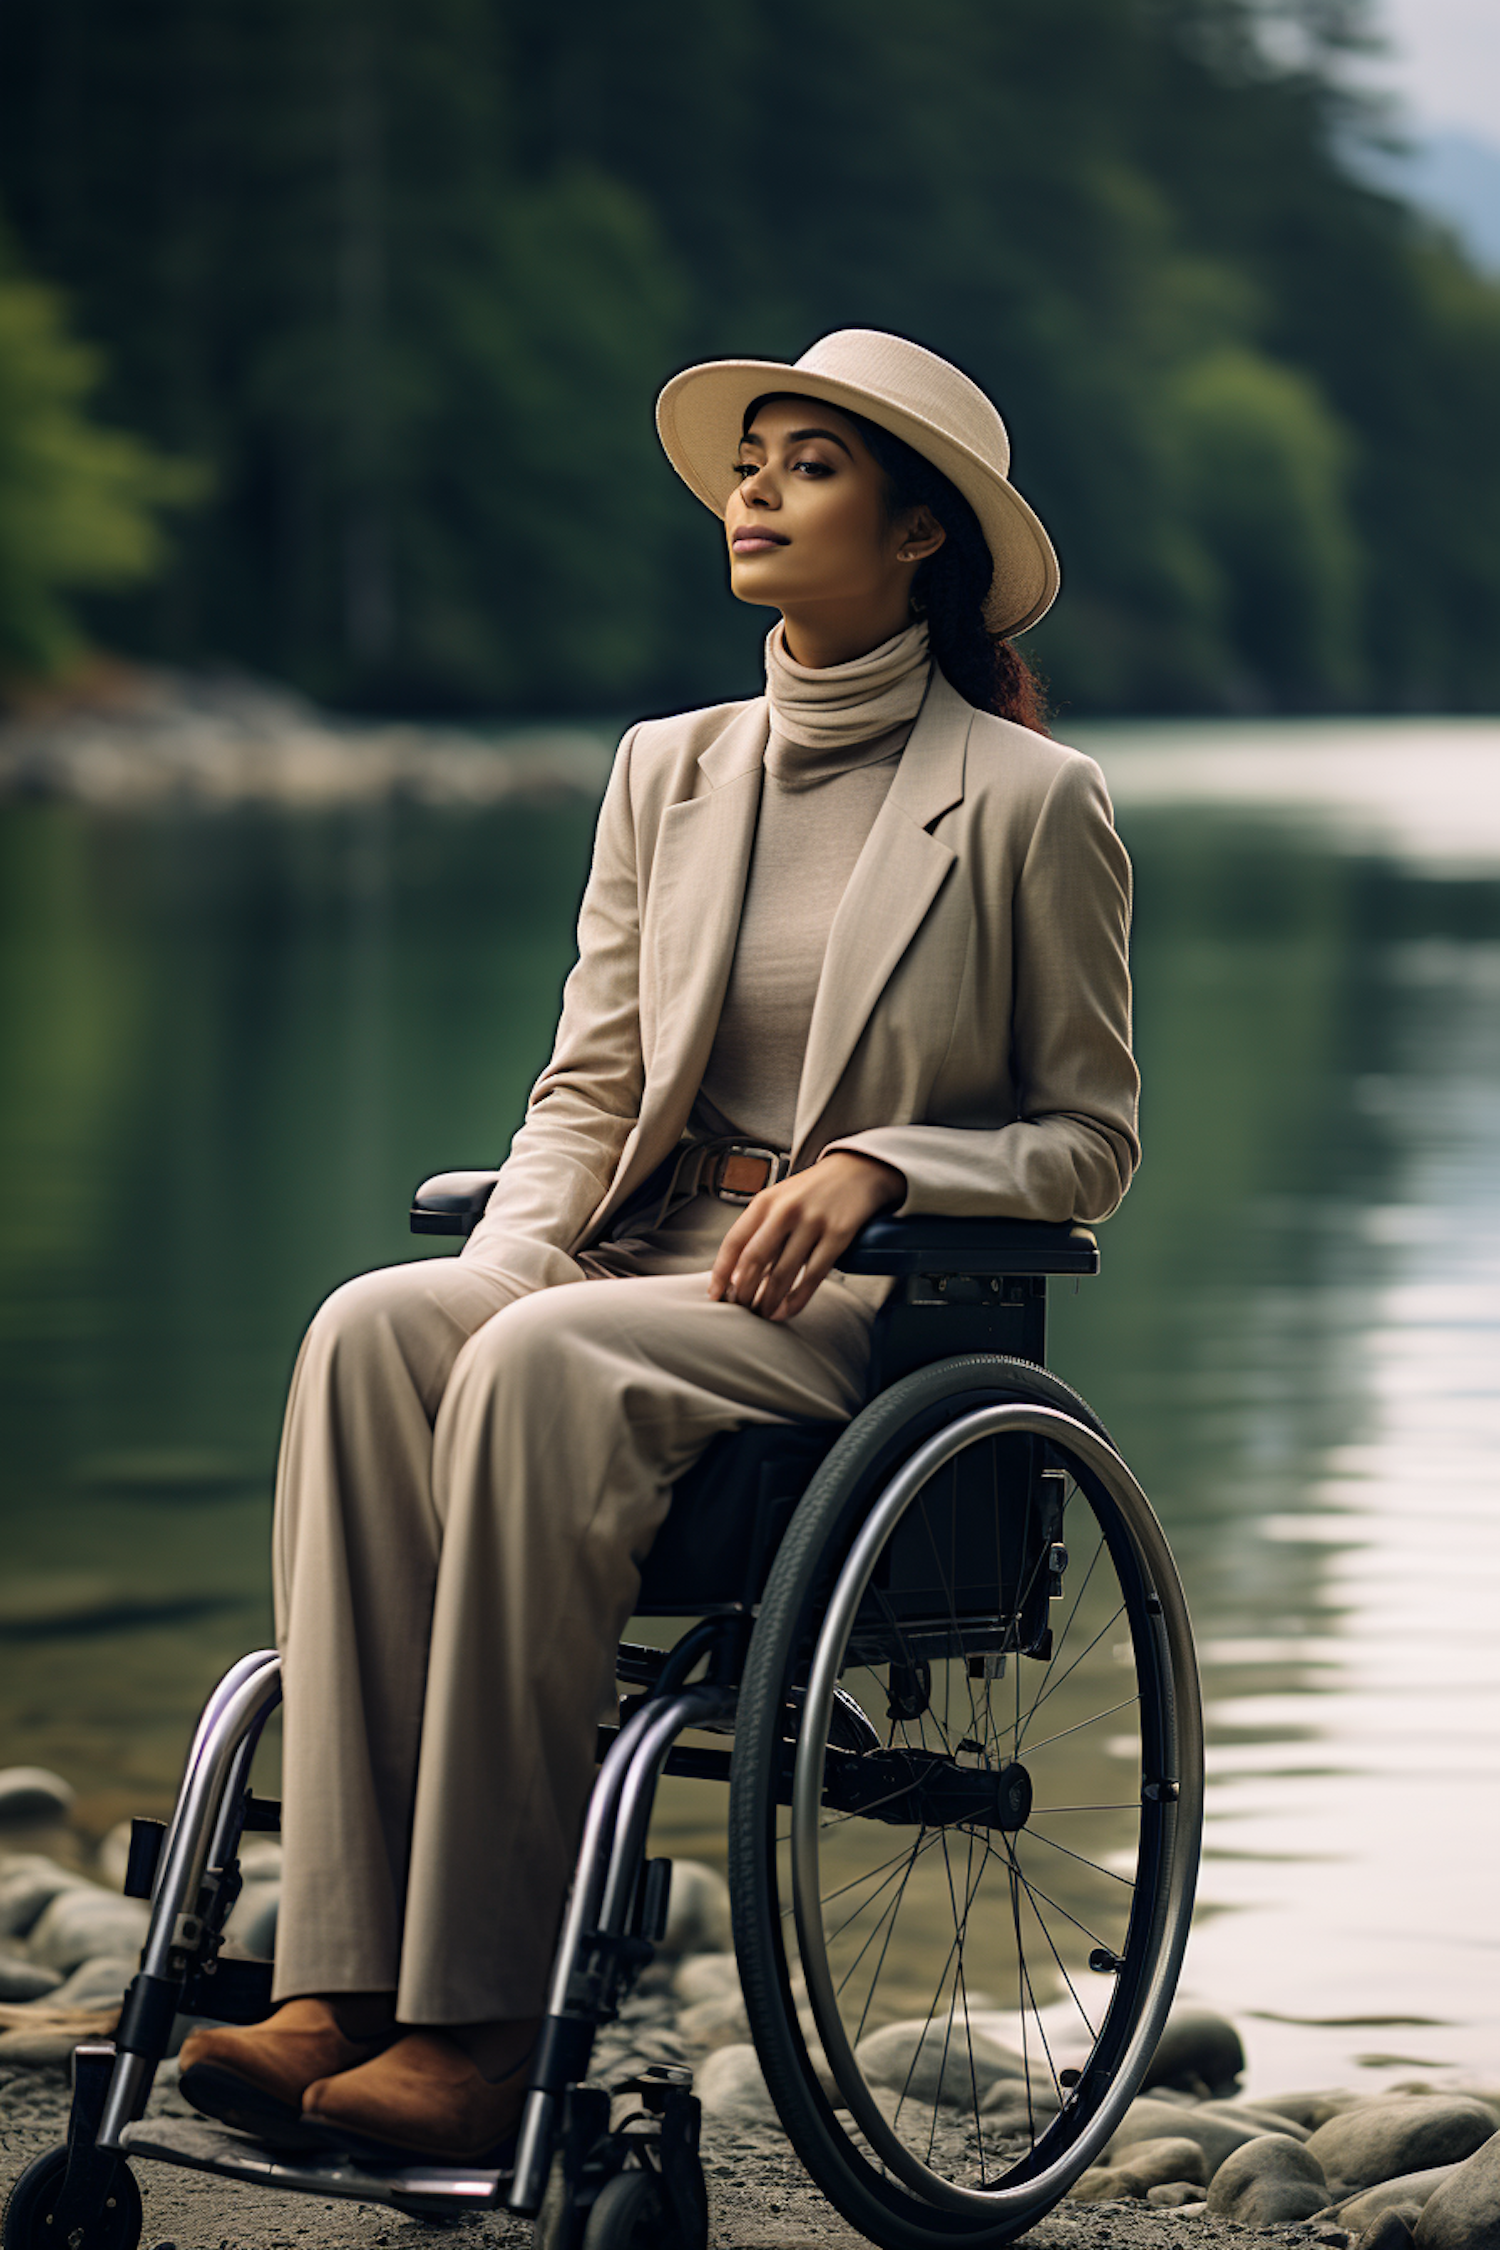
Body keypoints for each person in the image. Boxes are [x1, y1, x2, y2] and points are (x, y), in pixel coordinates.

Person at [176, 327, 1140, 2166]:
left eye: (811, 464)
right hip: (639, 1253)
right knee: (387, 1327)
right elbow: (589, 1078)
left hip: (859, 1308)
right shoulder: (668, 769)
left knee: (536, 1360)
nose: (753, 490)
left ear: (922, 532)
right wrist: (509, 1265)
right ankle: (340, 1984)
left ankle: (477, 2023)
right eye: (748, 458)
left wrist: (885, 1163)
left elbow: (1091, 1140)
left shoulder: (1030, 802)